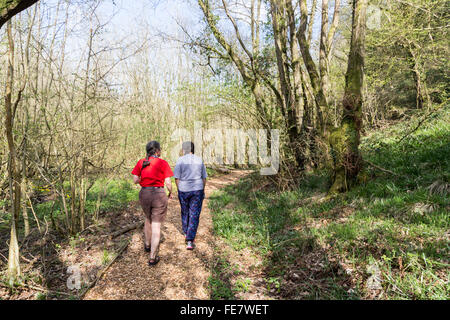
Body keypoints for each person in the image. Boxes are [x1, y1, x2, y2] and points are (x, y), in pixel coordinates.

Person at [131, 141, 173, 266]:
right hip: (159, 194)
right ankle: (152, 257)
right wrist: (171, 192)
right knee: (156, 226)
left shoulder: (141, 162)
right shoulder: (163, 163)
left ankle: (147, 244)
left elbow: (135, 180)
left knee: (147, 219)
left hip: (144, 194)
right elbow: (168, 182)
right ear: (158, 151)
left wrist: (143, 180)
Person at [173, 141, 207, 250]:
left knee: (185, 211)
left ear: (184, 150)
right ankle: (190, 239)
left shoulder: (180, 160)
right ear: (193, 149)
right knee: (194, 213)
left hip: (183, 189)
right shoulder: (199, 159)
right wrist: (203, 190)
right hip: (197, 189)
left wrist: (179, 190)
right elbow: (204, 178)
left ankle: (186, 232)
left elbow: (176, 178)